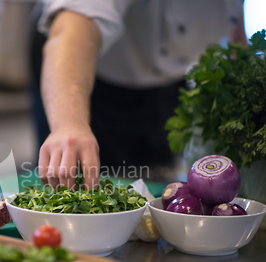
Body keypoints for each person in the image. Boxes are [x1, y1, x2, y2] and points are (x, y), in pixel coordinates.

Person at [35, 0, 248, 190]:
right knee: (77, 180)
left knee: (152, 183)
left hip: (173, 76)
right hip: (82, 74)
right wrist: (69, 125)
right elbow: (72, 32)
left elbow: (233, 24)